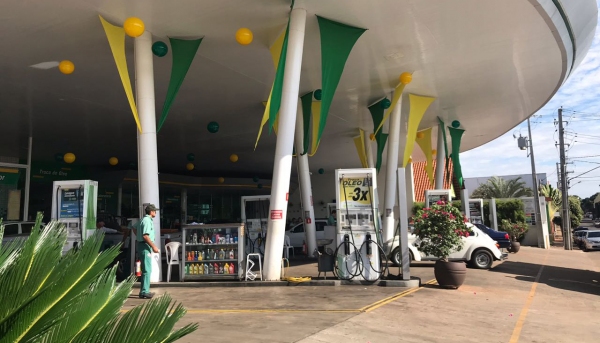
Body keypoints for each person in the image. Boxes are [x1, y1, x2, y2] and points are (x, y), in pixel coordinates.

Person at [137, 204, 160, 299]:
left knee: (146, 269)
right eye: (155, 211)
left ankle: (144, 290)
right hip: (145, 246)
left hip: (143, 245)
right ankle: (144, 291)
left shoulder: (144, 220)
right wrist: (154, 246)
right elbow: (145, 236)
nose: (155, 212)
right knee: (147, 270)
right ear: (151, 212)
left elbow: (133, 226)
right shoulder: (146, 221)